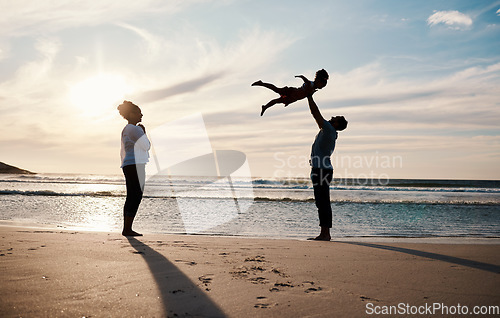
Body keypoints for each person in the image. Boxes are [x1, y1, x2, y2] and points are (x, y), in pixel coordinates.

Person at [307, 94, 347, 241]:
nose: (331, 118)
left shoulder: (329, 130)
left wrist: (309, 97)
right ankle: (324, 233)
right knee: (321, 201)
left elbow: (315, 113)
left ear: (336, 124)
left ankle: (325, 234)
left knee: (323, 201)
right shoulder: (329, 131)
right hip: (320, 169)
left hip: (322, 170)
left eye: (334, 118)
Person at [117, 100, 150, 236]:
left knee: (132, 195)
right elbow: (146, 145)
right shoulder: (135, 129)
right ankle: (127, 229)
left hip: (128, 164)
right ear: (131, 114)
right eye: (139, 112)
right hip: (135, 164)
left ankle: (127, 228)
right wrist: (143, 131)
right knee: (135, 195)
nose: (141, 115)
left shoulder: (126, 129)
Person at [252, 69, 329, 116]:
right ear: (318, 81)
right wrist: (301, 77)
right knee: (276, 90)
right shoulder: (311, 84)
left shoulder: (313, 89)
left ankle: (265, 107)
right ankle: (261, 83)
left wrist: (290, 102)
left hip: (292, 98)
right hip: (291, 92)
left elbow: (301, 96)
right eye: (322, 85)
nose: (322, 87)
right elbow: (306, 81)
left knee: (277, 101)